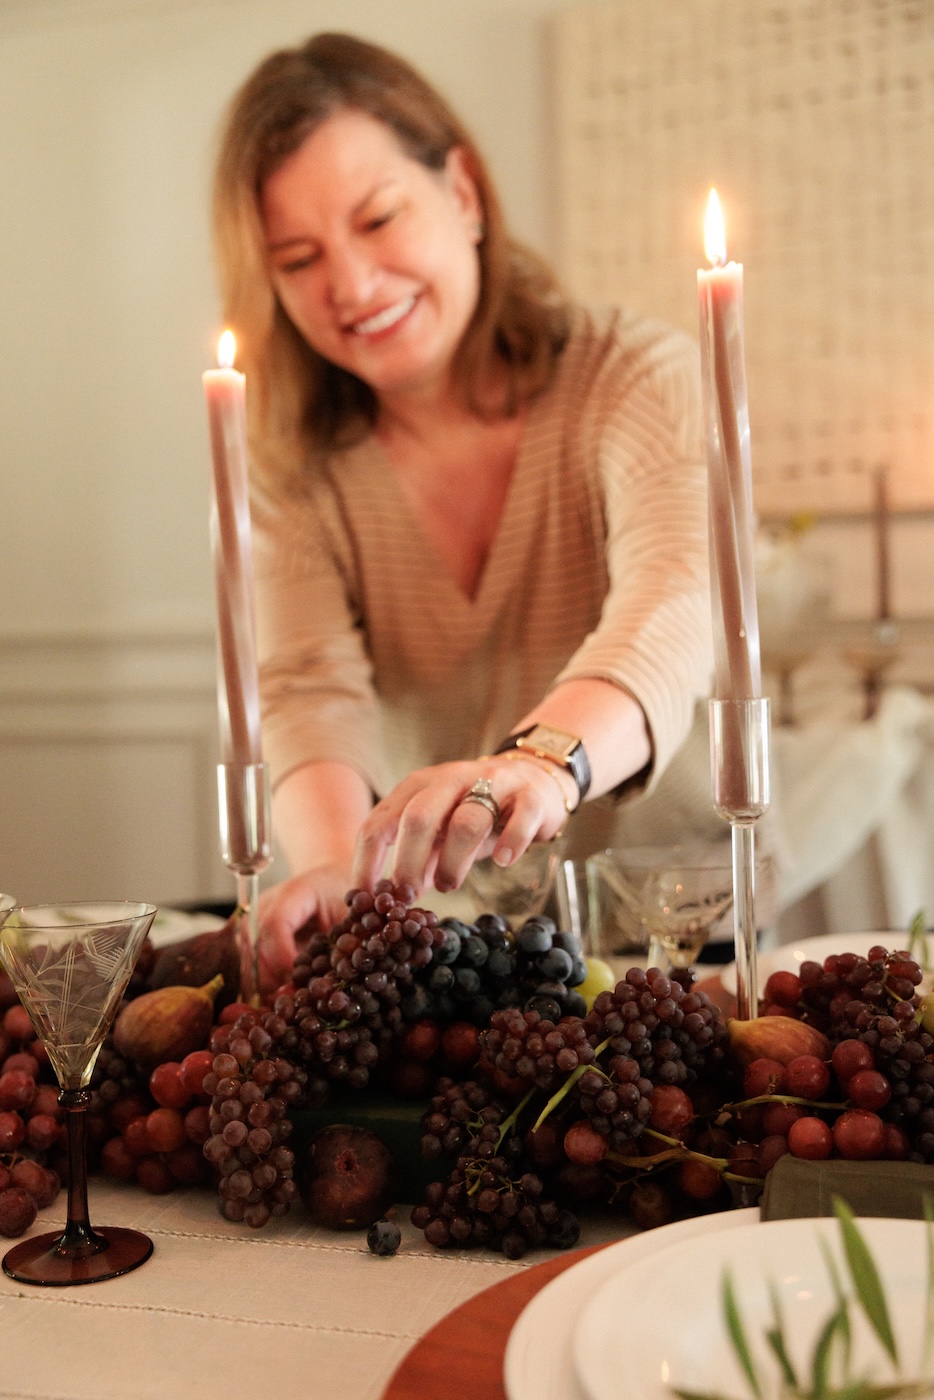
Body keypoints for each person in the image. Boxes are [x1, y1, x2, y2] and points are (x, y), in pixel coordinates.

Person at [210, 32, 712, 981]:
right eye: (299, 257)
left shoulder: (636, 377)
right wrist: (340, 868)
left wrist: (540, 762)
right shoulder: (289, 466)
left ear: (465, 194)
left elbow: (672, 603)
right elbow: (309, 691)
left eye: (378, 218)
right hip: (458, 950)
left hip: (679, 923)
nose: (352, 286)